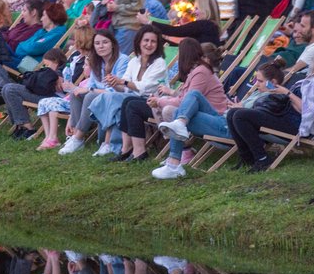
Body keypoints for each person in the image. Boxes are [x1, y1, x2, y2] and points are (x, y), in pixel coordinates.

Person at [150, 39, 226, 178]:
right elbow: (184, 100)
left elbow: (186, 99)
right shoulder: (197, 71)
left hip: (218, 120)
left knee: (173, 110)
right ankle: (174, 162)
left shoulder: (201, 72)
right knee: (175, 111)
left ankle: (178, 159)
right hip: (207, 115)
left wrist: (160, 100)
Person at [90, 26, 168, 160]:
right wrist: (115, 84)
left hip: (156, 103)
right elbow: (125, 87)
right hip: (135, 98)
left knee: (128, 103)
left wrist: (123, 82)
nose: (149, 44)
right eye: (146, 40)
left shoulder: (159, 63)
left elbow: (145, 87)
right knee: (124, 101)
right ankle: (126, 149)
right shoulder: (134, 61)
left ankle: (135, 150)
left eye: (153, 41)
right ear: (139, 42)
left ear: (157, 44)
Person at [57, 29, 130, 155]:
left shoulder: (122, 60)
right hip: (100, 94)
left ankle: (78, 138)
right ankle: (73, 134)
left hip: (117, 95)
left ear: (112, 43)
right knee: (76, 94)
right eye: (97, 43)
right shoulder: (97, 61)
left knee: (90, 95)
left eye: (105, 42)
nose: (101, 46)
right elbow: (91, 83)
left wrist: (91, 90)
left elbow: (117, 87)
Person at [1, 48, 67, 140]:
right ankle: (21, 125)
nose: (46, 67)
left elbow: (64, 74)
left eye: (47, 65)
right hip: (44, 95)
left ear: (56, 61)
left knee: (11, 89)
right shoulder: (54, 72)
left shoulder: (63, 70)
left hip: (54, 99)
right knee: (6, 88)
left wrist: (57, 73)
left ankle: (28, 128)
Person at [139, 0, 222, 45]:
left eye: (197, 8)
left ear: (205, 9)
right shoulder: (211, 26)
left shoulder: (204, 25)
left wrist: (149, 22)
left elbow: (175, 31)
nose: (193, 12)